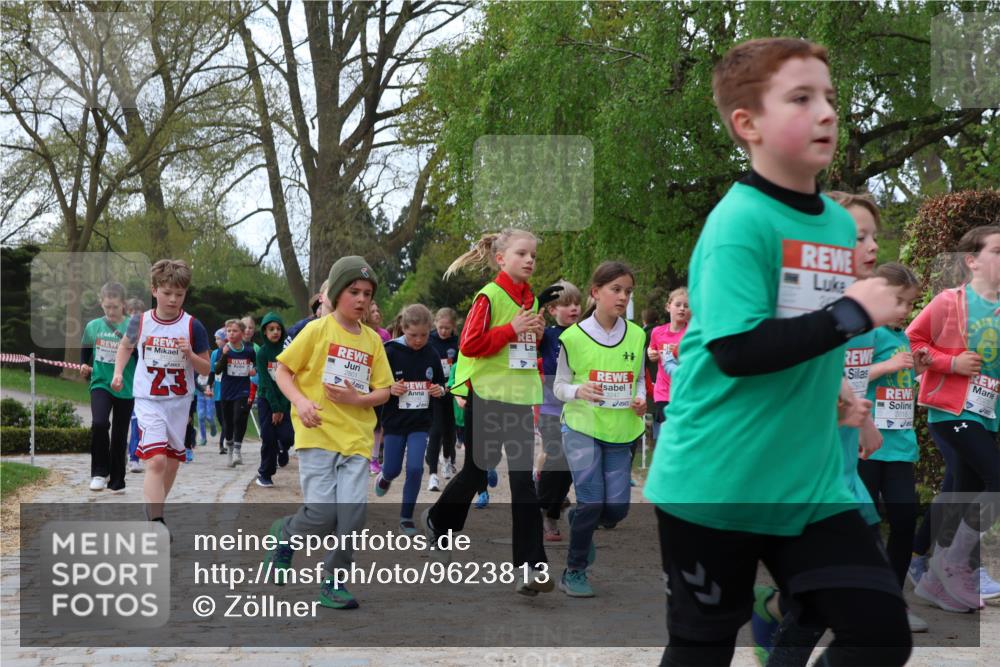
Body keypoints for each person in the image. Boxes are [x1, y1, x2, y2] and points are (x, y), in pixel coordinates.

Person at [644, 38, 910, 667]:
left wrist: (842, 391)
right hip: (716, 480)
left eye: (830, 98)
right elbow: (738, 349)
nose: (826, 113)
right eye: (801, 98)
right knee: (701, 648)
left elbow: (804, 332)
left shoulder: (837, 225)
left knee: (879, 635)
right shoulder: (738, 222)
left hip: (808, 483)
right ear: (748, 124)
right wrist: (853, 313)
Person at [419, 228, 563, 596]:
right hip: (487, 397)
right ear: (501, 259)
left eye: (533, 255)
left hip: (517, 398)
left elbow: (526, 348)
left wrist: (533, 329)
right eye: (522, 254)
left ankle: (531, 567)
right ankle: (438, 520)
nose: (530, 260)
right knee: (477, 472)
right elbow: (470, 345)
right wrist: (512, 328)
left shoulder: (529, 299)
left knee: (522, 483)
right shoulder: (489, 296)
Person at [262, 256, 392, 610]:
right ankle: (285, 535)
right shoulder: (316, 331)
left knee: (352, 518)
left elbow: (384, 390)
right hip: (317, 435)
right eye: (354, 291)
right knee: (321, 516)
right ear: (335, 293)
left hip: (356, 441)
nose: (362, 300)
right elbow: (282, 371)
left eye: (367, 293)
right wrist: (302, 403)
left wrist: (358, 398)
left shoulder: (373, 342)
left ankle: (333, 582)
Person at [908, 225, 1000, 611]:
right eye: (997, 251)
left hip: (986, 413)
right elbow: (913, 340)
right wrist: (952, 362)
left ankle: (929, 576)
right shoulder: (950, 301)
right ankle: (953, 564)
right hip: (950, 410)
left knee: (960, 487)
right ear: (972, 260)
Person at [554, 262, 646, 597]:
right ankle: (574, 570)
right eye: (616, 289)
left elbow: (637, 380)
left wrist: (639, 399)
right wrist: (578, 391)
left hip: (621, 430)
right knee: (593, 500)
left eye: (628, 291)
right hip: (582, 427)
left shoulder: (636, 334)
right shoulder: (572, 337)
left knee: (616, 509)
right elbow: (559, 386)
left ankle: (579, 518)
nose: (623, 296)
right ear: (596, 292)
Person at [111, 259, 211, 529]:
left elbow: (206, 367)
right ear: (154, 290)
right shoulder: (140, 322)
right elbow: (125, 347)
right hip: (148, 401)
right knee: (155, 461)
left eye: (179, 294)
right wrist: (118, 373)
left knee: (171, 464)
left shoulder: (193, 326)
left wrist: (188, 353)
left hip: (179, 404)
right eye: (167, 293)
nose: (173, 299)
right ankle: (157, 522)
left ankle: (154, 507)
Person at [374, 304, 447, 534]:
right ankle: (385, 476)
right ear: (403, 328)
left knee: (415, 468)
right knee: (394, 469)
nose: (418, 340)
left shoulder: (431, 352)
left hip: (420, 423)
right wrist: (390, 387)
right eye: (413, 335)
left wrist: (439, 391)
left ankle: (406, 517)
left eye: (424, 335)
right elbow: (376, 382)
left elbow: (441, 384)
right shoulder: (390, 352)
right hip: (395, 422)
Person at [80, 281, 136, 492]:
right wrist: (84, 365)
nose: (111, 311)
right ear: (101, 303)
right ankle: (99, 473)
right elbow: (85, 352)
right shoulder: (93, 326)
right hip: (101, 383)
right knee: (100, 423)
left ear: (123, 304)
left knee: (120, 434)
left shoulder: (132, 327)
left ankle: (117, 480)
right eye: (107, 307)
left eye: (115, 307)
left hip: (126, 387)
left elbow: (139, 357)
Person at [537, 280, 582, 541]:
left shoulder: (588, 334)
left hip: (580, 411)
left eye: (577, 303)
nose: (574, 308)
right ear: (553, 310)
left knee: (572, 463)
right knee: (558, 457)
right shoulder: (548, 336)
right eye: (566, 304)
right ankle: (545, 512)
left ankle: (551, 508)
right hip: (551, 410)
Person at [255, 312, 295, 487]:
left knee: (288, 436)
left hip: (286, 398)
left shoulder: (288, 351)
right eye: (271, 329)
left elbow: (293, 379)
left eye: (278, 329)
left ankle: (283, 448)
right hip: (267, 399)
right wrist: (275, 408)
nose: (275, 332)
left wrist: (283, 406)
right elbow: (265, 381)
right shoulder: (262, 353)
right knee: (268, 437)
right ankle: (265, 474)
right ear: (264, 331)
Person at [426, 307, 460, 490]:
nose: (444, 331)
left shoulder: (458, 342)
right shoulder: (429, 340)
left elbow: (462, 366)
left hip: (452, 391)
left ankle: (447, 459)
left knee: (449, 432)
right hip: (434, 391)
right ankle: (432, 474)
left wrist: (452, 385)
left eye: (448, 328)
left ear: (453, 326)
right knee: (436, 431)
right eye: (441, 327)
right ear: (435, 324)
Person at [215, 318, 256, 467]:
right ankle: (230, 450)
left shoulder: (249, 350)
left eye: (235, 331)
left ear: (242, 332)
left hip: (243, 390)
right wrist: (225, 355)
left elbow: (256, 364)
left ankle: (238, 450)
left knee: (240, 417)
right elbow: (217, 370)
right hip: (227, 391)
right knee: (228, 422)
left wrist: (254, 370)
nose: (231, 334)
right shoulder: (223, 349)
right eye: (229, 331)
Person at [124, 297, 146, 474]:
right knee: (121, 422)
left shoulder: (145, 334)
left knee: (135, 421)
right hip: (122, 384)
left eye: (138, 314)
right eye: (131, 313)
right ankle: (122, 452)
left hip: (139, 386)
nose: (134, 317)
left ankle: (134, 457)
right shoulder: (121, 332)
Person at [209, 328, 227, 455]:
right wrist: (208, 386)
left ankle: (222, 444)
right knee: (221, 420)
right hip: (217, 392)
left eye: (218, 339)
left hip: (228, 392)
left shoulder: (232, 351)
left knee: (227, 420)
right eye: (215, 339)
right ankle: (226, 439)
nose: (216, 341)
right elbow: (211, 371)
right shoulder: (215, 353)